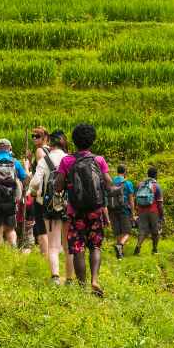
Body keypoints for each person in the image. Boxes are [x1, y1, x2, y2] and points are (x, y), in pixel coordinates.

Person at [55, 123, 112, 297]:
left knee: (78, 248)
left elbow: (58, 187)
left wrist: (65, 182)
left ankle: (82, 287)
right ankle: (95, 279)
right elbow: (109, 184)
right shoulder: (99, 160)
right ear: (92, 141)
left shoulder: (67, 161)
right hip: (95, 210)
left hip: (75, 211)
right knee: (95, 246)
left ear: (74, 140)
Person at [28, 129, 72, 284]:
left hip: (50, 206)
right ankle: (70, 279)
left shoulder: (44, 160)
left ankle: (55, 278)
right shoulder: (70, 159)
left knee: (53, 245)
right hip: (68, 206)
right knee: (68, 245)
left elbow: (34, 183)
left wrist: (34, 193)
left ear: (50, 143)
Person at [24, 127, 50, 255]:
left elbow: (40, 174)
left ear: (45, 137)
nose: (34, 138)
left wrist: (27, 167)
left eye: (37, 136)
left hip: (40, 192)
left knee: (41, 225)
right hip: (49, 191)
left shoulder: (40, 151)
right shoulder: (50, 150)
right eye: (33, 136)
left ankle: (44, 254)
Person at [133, 167, 163, 255]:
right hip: (153, 211)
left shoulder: (140, 184)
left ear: (148, 174)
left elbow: (135, 198)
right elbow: (160, 203)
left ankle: (138, 246)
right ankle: (154, 250)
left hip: (141, 210)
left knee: (142, 230)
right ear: (155, 175)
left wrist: (136, 210)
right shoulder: (157, 186)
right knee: (155, 231)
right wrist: (161, 215)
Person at [108, 164, 135, 259]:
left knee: (118, 232)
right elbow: (131, 200)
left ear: (117, 171)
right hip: (124, 210)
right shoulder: (128, 183)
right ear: (125, 172)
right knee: (127, 232)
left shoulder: (111, 182)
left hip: (112, 209)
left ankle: (120, 254)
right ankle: (120, 245)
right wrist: (133, 213)